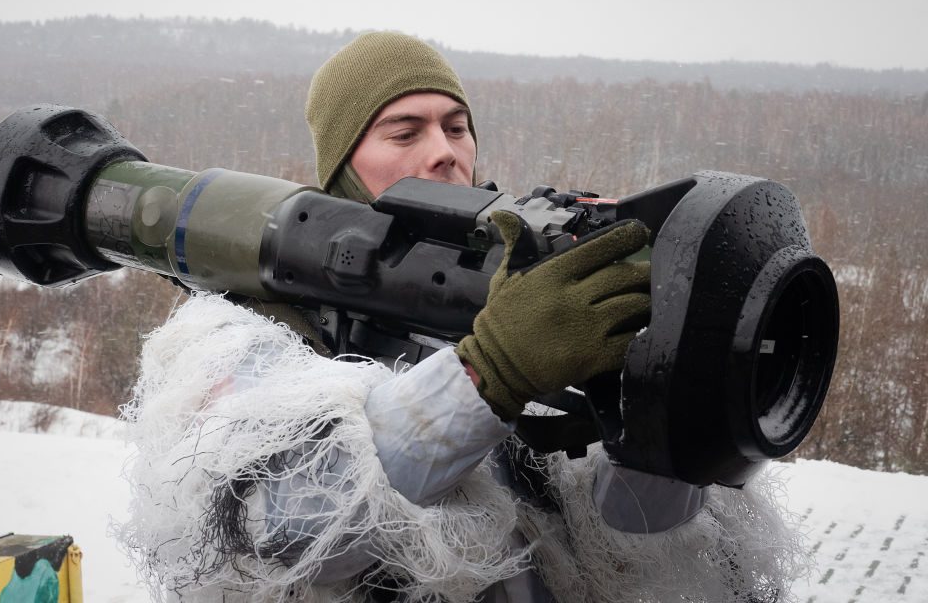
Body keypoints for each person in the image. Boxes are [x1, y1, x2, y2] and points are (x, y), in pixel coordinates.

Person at [117, 32, 807, 603]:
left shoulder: (527, 299)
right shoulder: (244, 333)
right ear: (342, 169)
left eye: (456, 127)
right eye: (403, 130)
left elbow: (631, 555)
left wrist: (663, 411)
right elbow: (291, 524)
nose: (444, 150)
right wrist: (490, 374)